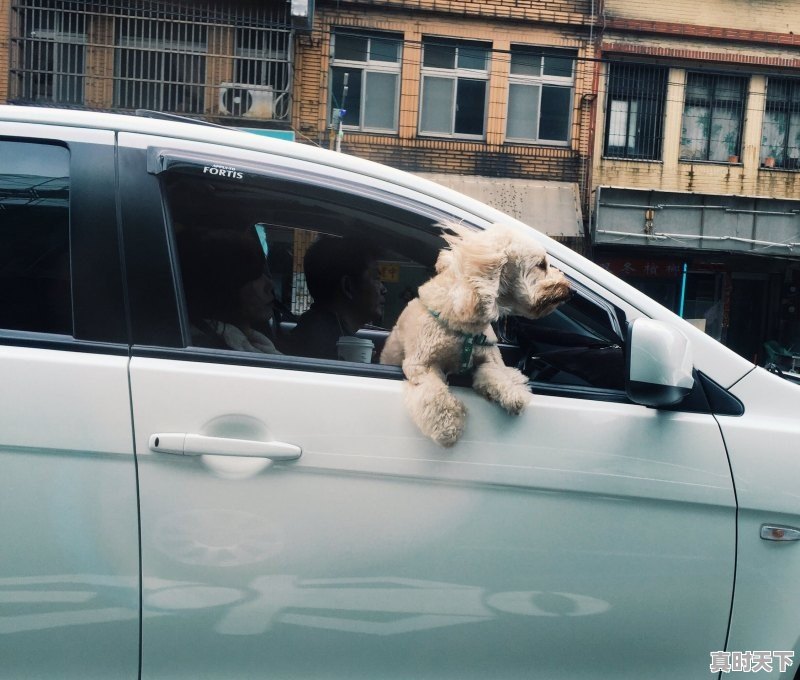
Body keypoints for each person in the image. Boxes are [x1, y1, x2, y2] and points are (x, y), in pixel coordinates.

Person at [178, 227, 281, 354]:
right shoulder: (210, 349)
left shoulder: (242, 342)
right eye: (254, 274)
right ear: (224, 286)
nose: (270, 284)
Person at [291, 235, 386, 360]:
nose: (384, 289)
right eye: (376, 278)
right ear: (348, 287)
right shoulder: (327, 346)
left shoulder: (316, 329)